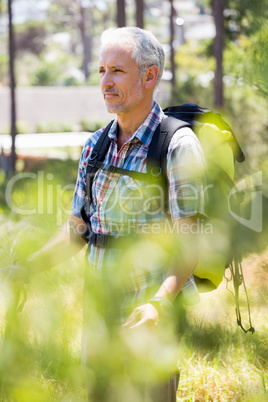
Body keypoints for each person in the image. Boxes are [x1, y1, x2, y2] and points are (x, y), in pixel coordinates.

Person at [5, 27, 206, 402]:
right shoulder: (95, 145)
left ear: (150, 76)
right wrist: (27, 268)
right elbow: (78, 229)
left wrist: (159, 304)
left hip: (149, 323)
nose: (105, 83)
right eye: (101, 71)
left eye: (117, 71)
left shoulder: (177, 145)